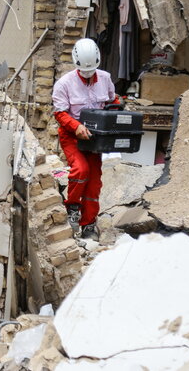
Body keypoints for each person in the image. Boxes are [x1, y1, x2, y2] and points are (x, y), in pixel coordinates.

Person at [52, 38, 119, 240]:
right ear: (76, 63)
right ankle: (72, 205)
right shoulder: (64, 84)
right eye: (84, 71)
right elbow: (60, 114)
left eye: (92, 70)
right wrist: (77, 126)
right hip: (72, 136)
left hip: (95, 139)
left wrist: (117, 108)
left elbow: (112, 100)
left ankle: (88, 223)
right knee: (81, 170)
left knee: (94, 181)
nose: (88, 74)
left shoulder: (105, 78)